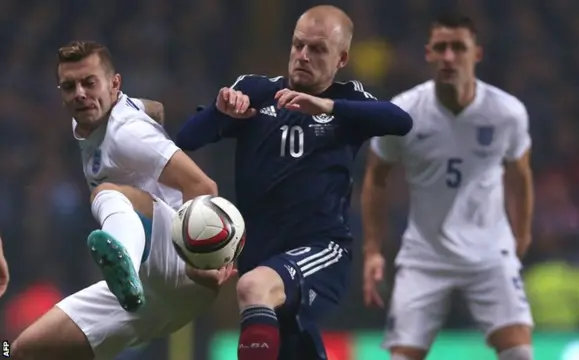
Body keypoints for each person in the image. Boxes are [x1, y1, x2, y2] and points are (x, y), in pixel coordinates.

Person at [176, 5, 413, 360]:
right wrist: (219, 112)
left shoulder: (346, 101)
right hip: (262, 255)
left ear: (342, 58)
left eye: (317, 50)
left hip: (322, 251)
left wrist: (327, 106)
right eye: (298, 45)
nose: (303, 56)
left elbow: (400, 120)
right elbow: (187, 139)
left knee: (254, 286)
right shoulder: (254, 91)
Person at [12, 41, 235, 360]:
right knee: (21, 350)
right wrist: (150, 114)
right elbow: (155, 107)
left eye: (89, 83)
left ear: (114, 84)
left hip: (181, 265)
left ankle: (124, 262)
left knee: (106, 194)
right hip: (148, 295)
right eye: (69, 86)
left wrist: (201, 262)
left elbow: (203, 185)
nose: (79, 93)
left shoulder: (127, 133)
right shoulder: (91, 118)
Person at [361, 13, 534, 360]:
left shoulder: (506, 113)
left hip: (489, 251)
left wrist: (522, 233)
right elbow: (376, 177)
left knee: (519, 354)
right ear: (428, 54)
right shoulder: (403, 113)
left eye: (458, 47)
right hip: (425, 254)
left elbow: (520, 174)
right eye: (441, 48)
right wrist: (373, 249)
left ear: (476, 54)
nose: (449, 57)